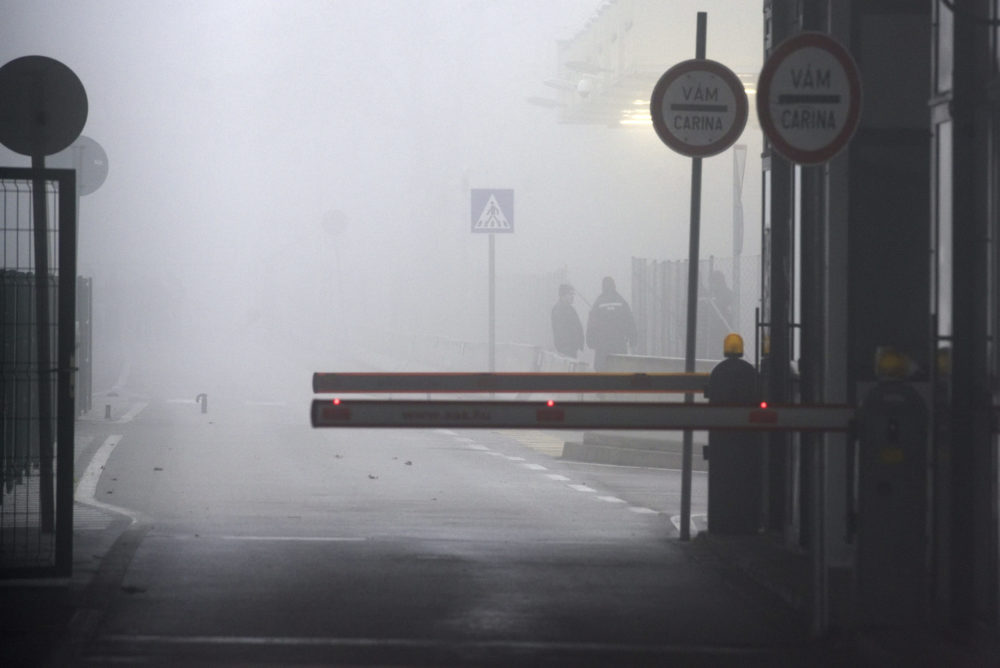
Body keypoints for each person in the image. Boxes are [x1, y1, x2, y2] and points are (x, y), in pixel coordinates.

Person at [585, 276, 637, 372]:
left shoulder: (598, 302)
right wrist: (633, 339)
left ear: (602, 287)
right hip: (619, 344)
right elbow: (629, 321)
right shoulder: (621, 301)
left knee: (602, 370)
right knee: (619, 370)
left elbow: (592, 324)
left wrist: (590, 341)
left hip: (602, 346)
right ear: (614, 286)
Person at [551, 283, 584, 358]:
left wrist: (580, 344)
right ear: (563, 295)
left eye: (573, 294)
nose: (572, 296)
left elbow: (577, 327)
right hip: (566, 350)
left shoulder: (570, 309)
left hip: (572, 349)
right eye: (570, 294)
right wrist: (567, 346)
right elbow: (560, 331)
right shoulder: (558, 310)